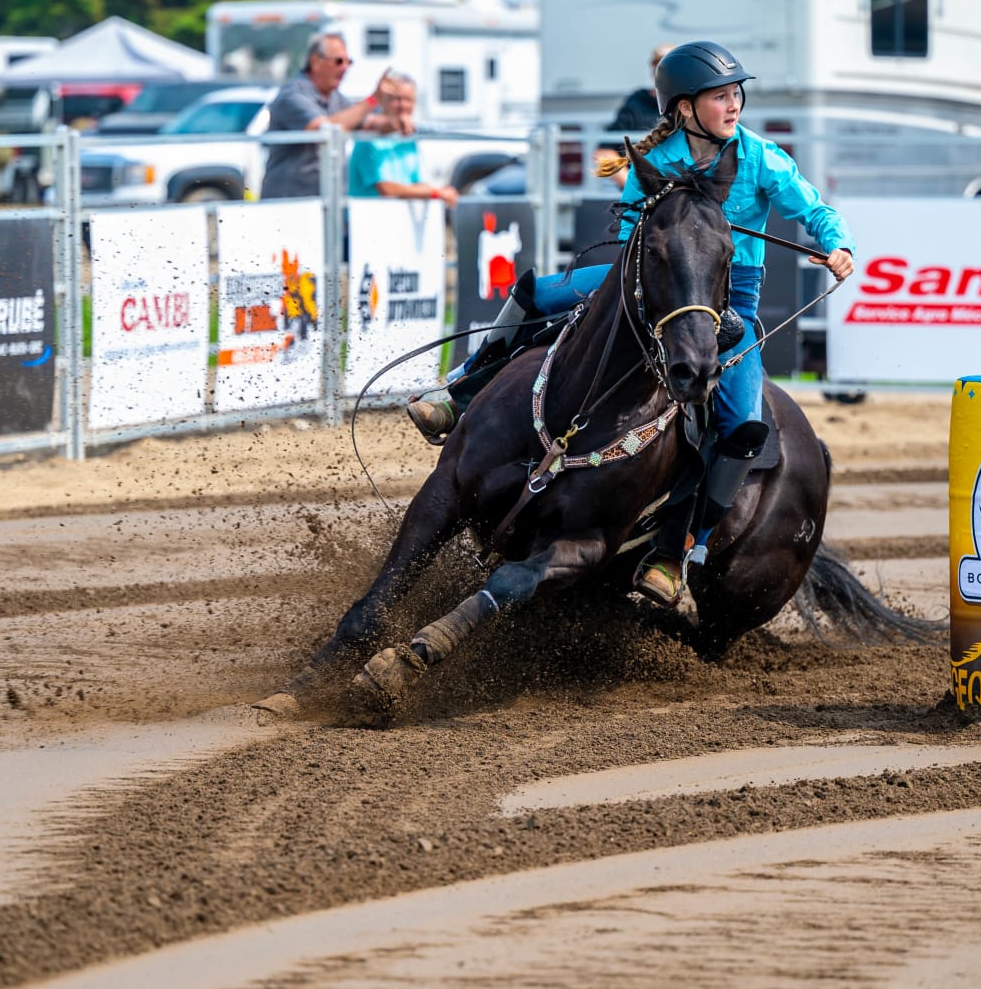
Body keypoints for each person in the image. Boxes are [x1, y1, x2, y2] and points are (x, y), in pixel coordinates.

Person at [408, 41, 855, 609]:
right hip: (647, 277)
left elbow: (813, 209)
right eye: (721, 95)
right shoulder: (655, 161)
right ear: (686, 108)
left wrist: (836, 243)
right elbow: (628, 246)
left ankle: (678, 550)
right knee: (535, 293)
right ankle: (462, 390)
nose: (734, 103)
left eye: (736, 93)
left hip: (728, 296)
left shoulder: (763, 158)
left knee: (742, 424)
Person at [260, 32, 408, 200]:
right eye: (338, 61)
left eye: (348, 62)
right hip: (288, 206)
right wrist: (374, 99)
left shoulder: (336, 98)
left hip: (323, 206)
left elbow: (370, 123)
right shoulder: (292, 95)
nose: (345, 67)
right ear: (315, 62)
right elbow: (323, 130)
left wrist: (397, 123)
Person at [346, 74, 459, 207]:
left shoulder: (408, 139)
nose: (403, 105)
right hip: (369, 218)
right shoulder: (369, 138)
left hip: (397, 218)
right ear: (384, 101)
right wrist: (436, 193)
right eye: (396, 99)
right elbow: (387, 189)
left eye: (408, 100)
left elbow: (414, 183)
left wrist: (441, 191)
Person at [605, 42, 675, 133]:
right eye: (657, 64)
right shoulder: (636, 101)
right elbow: (609, 141)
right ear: (652, 69)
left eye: (669, 64)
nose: (663, 69)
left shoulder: (688, 104)